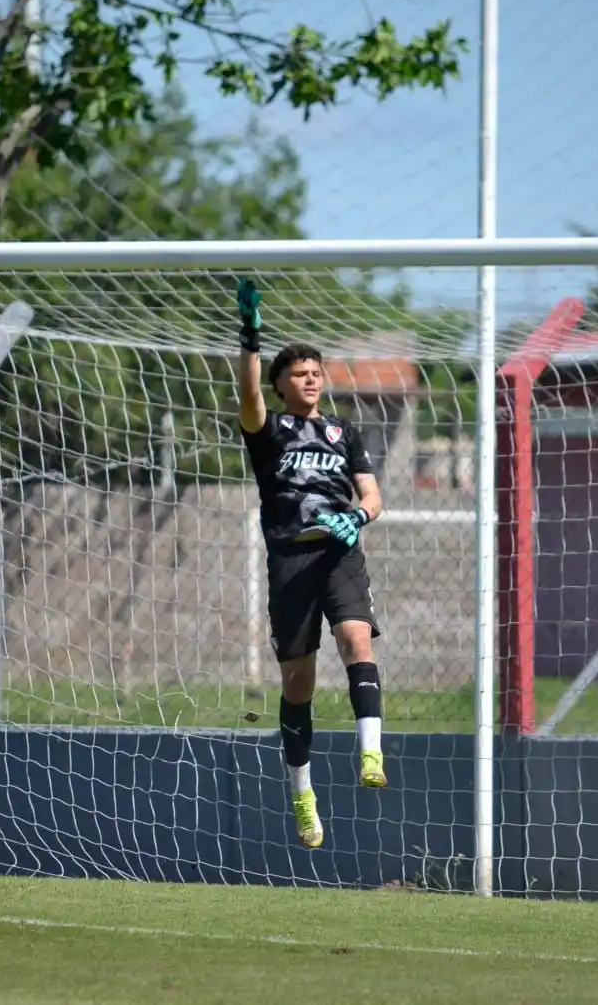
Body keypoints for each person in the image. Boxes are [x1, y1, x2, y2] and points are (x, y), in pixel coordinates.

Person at [237, 277, 386, 850]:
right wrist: (250, 340)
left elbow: (372, 495)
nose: (311, 377)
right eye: (299, 373)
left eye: (316, 371)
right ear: (280, 385)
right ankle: (303, 794)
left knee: (358, 642)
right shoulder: (269, 430)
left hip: (340, 550)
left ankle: (370, 750)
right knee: (298, 685)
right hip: (291, 563)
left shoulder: (343, 431)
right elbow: (247, 400)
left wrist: (361, 518)